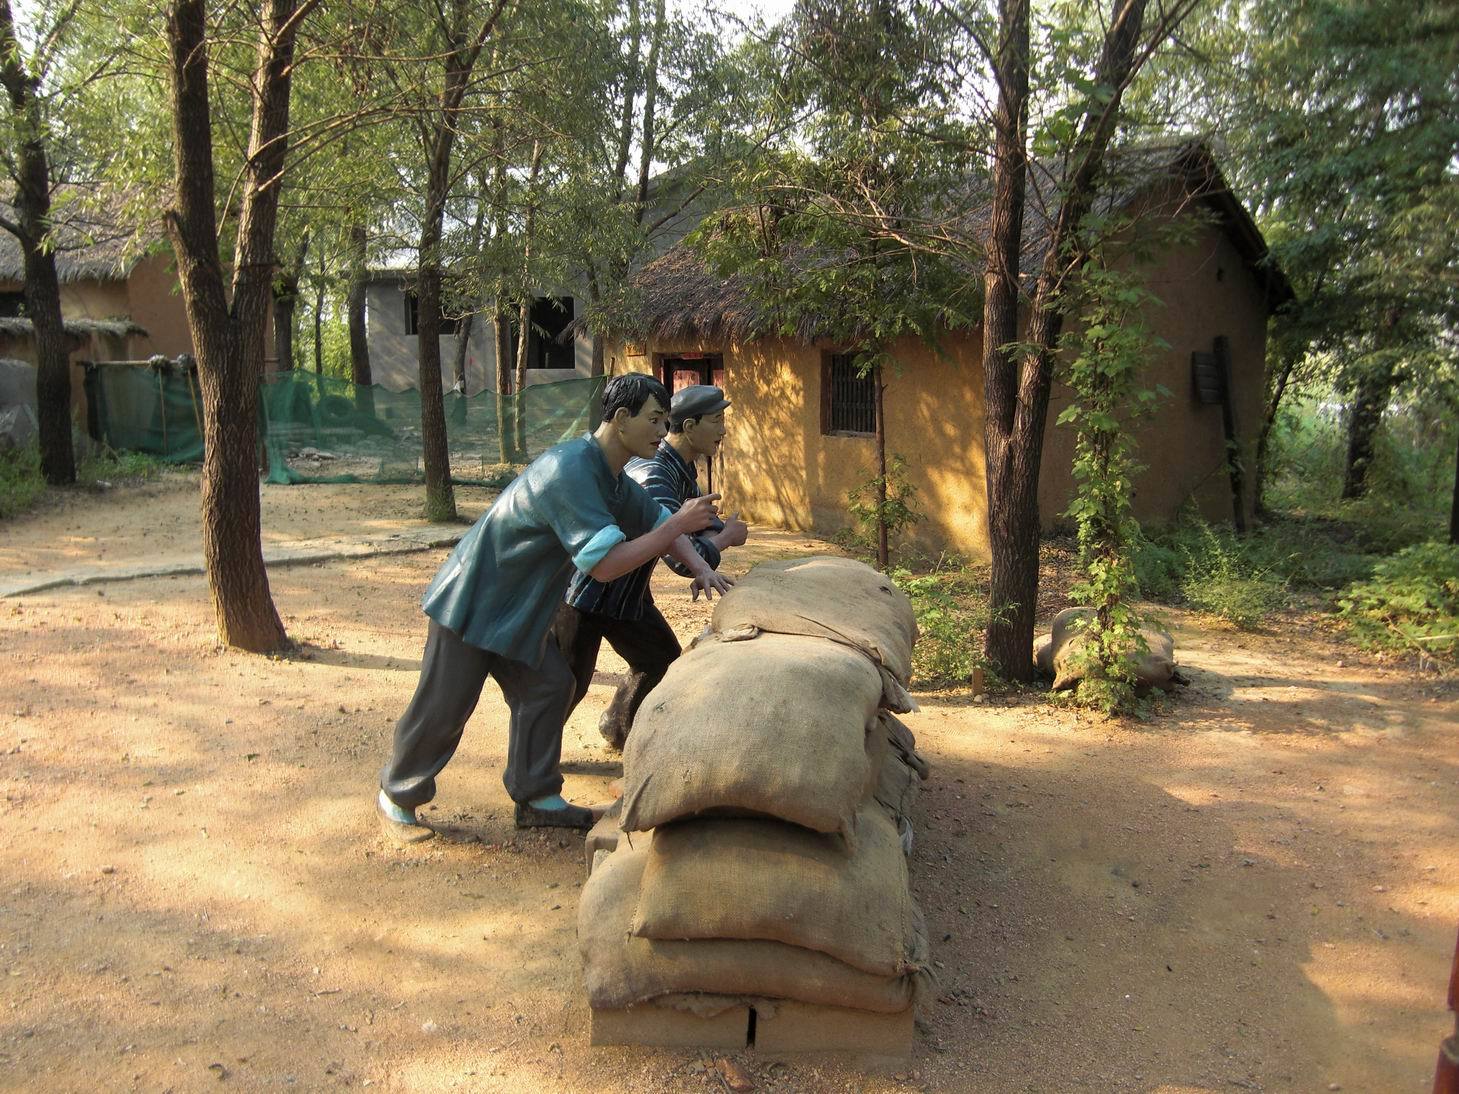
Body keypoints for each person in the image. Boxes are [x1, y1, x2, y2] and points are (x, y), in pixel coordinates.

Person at [375, 374, 729, 842]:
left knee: (549, 685)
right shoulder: (571, 470)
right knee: (445, 706)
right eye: (654, 420)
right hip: (475, 599)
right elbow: (603, 565)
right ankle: (398, 795)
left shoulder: (612, 477)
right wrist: (676, 529)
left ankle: (536, 795)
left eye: (666, 421)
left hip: (519, 611)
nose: (662, 432)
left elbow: (659, 519)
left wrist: (698, 565)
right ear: (621, 419)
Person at [554, 385, 749, 749]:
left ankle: (619, 727)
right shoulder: (655, 474)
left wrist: (714, 534)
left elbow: (684, 526)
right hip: (588, 594)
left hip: (626, 596)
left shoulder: (679, 468)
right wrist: (723, 540)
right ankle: (533, 768)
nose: (724, 430)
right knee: (568, 684)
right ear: (689, 427)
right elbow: (674, 548)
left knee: (658, 660)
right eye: (717, 420)